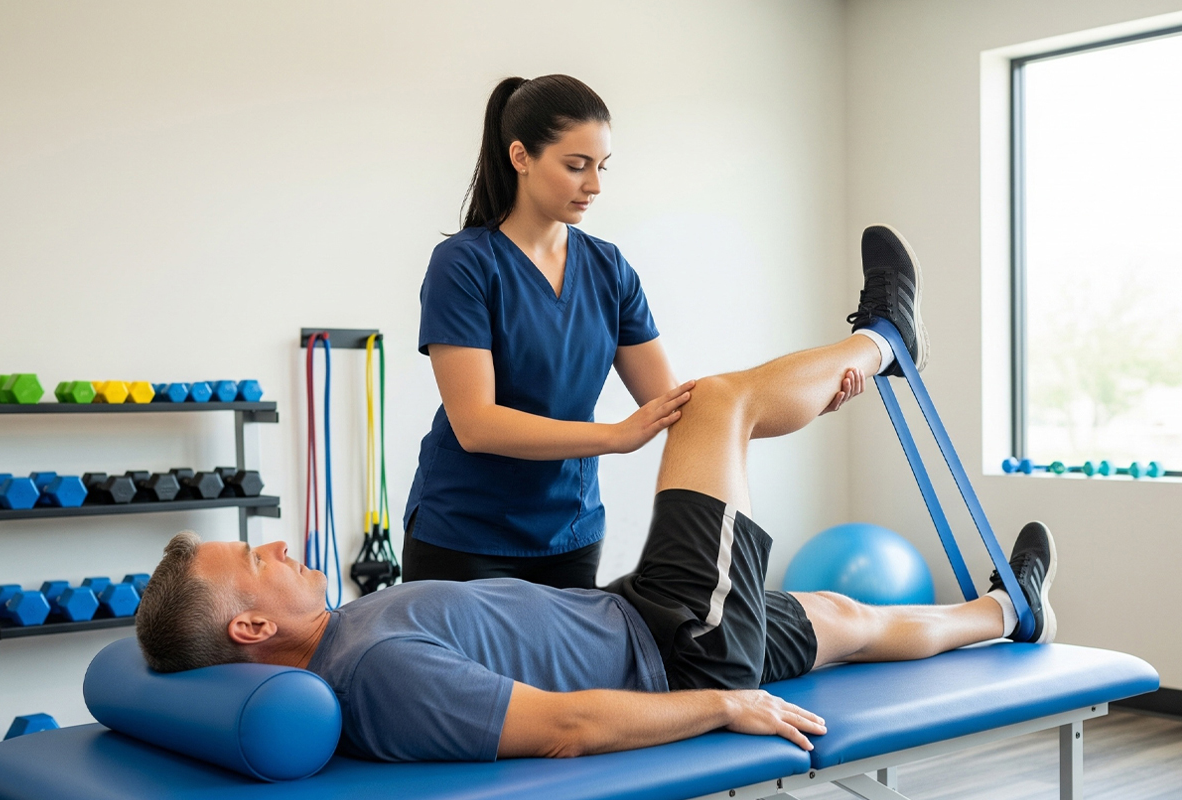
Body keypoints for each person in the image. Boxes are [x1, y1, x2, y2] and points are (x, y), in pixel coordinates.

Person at [136, 226, 1056, 764]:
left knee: (845, 615)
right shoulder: (374, 670)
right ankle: (888, 340)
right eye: (259, 561)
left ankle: (1009, 615)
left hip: (635, 620)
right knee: (723, 402)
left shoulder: (346, 638)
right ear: (250, 629)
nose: (285, 548)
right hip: (673, 647)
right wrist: (722, 706)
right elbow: (564, 726)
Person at [402, 74, 863, 588]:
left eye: (601, 167)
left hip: (569, 535)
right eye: (576, 166)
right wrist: (616, 436)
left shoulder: (608, 269)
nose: (594, 185)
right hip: (464, 536)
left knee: (566, 672)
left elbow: (678, 406)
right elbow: (476, 424)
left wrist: (808, 400)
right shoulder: (463, 264)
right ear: (520, 157)